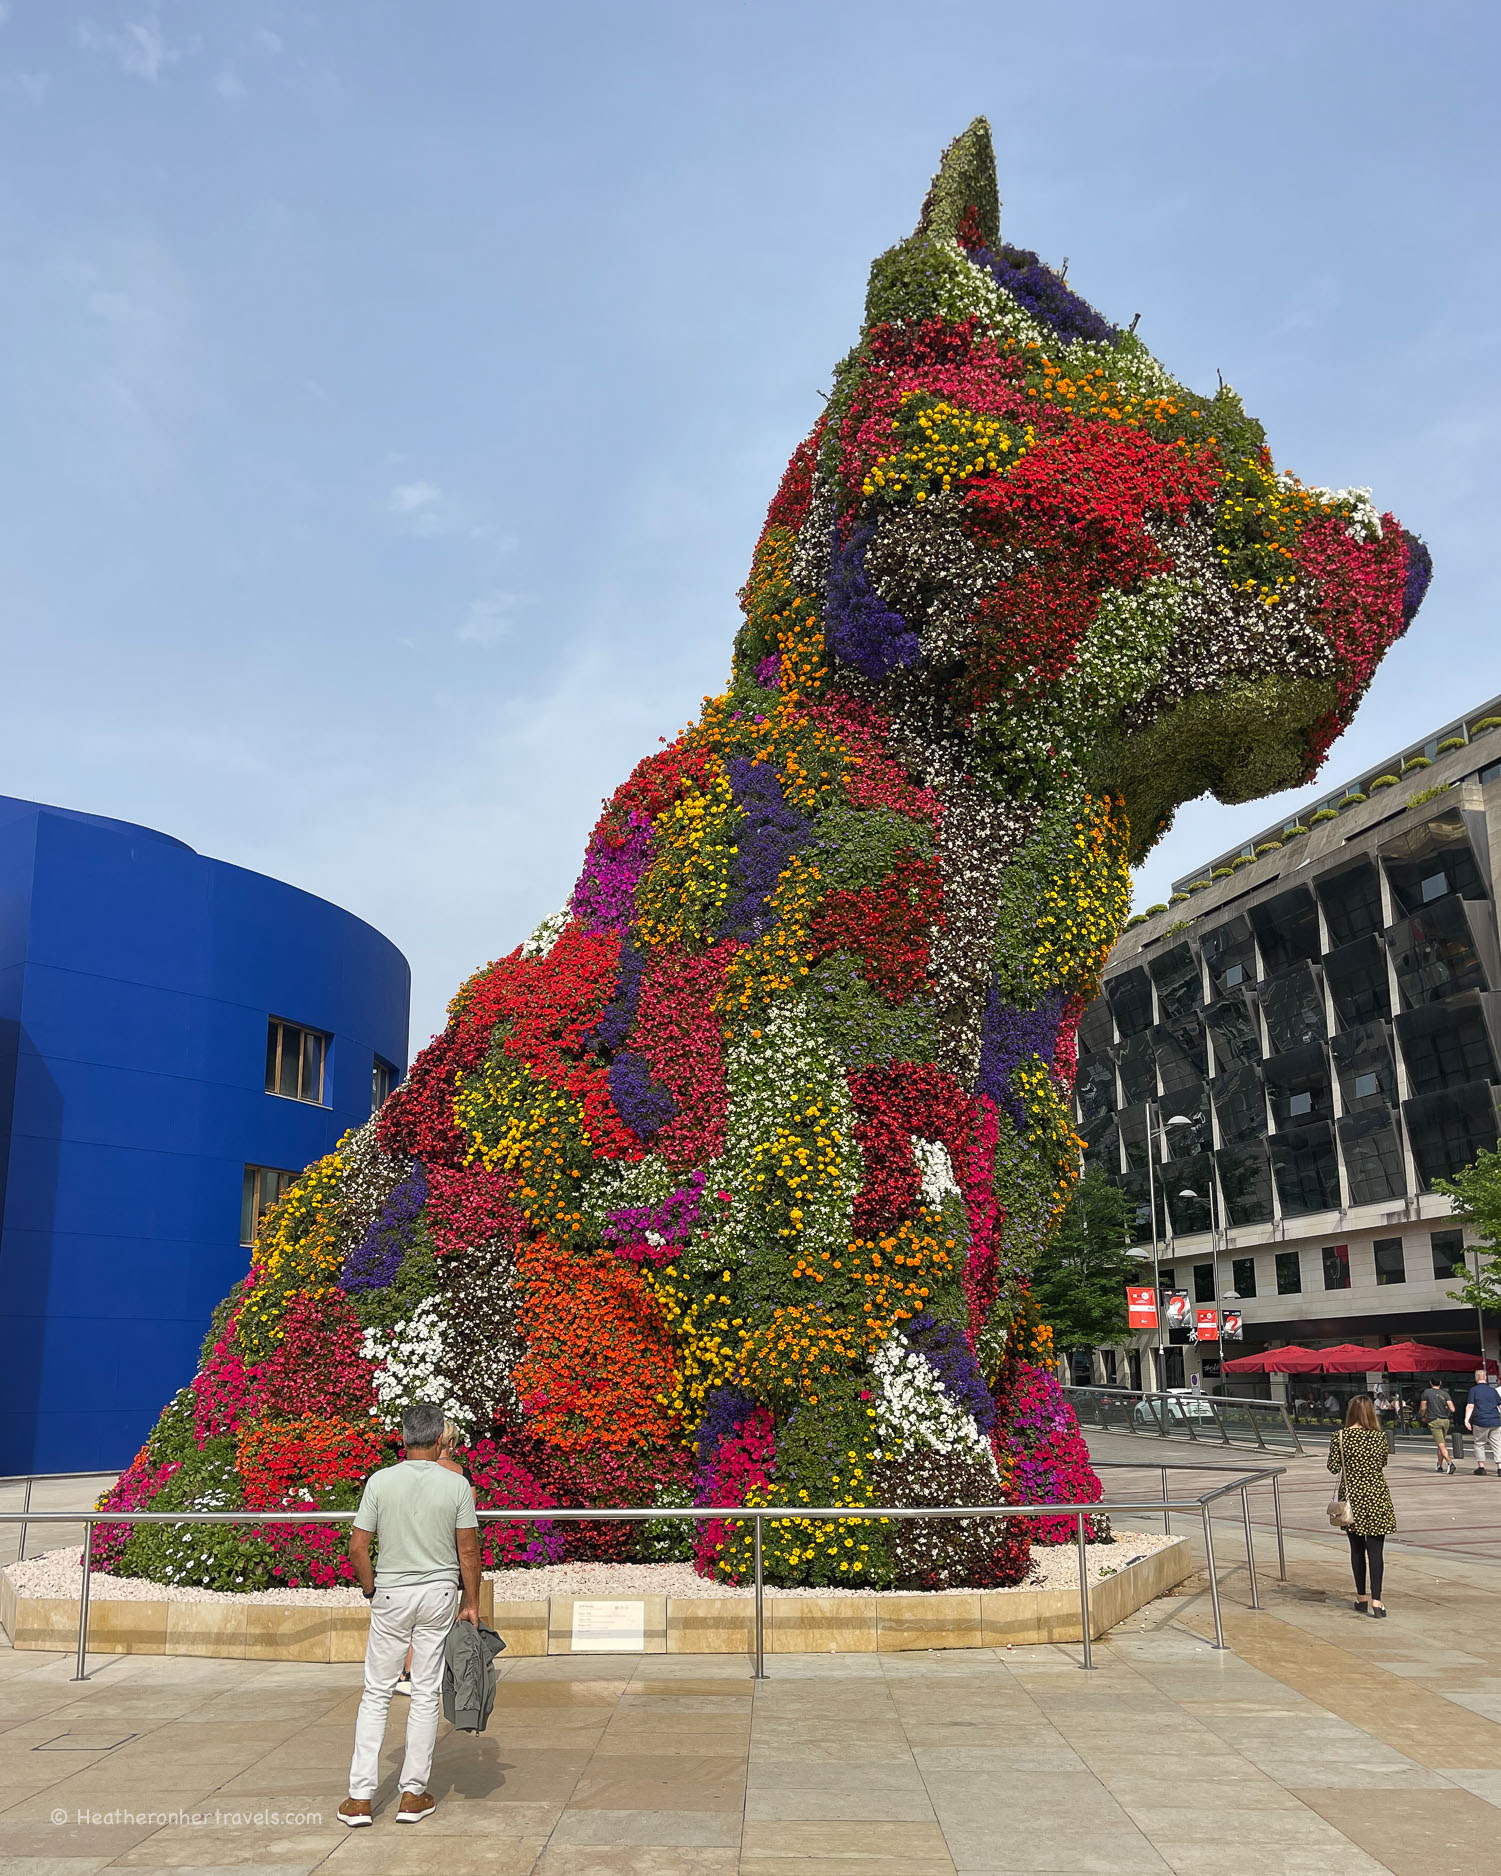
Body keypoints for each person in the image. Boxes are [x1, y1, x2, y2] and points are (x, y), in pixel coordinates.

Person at [339, 1402, 481, 1828]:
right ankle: (413, 1794)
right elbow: (468, 1551)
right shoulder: (456, 1484)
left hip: (391, 1592)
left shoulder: (380, 1481)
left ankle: (360, 1798)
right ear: (439, 1439)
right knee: (424, 1692)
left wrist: (370, 1588)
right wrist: (471, 1602)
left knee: (375, 1693)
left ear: (403, 1439)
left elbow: (357, 1547)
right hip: (439, 1592)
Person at [395, 1419, 472, 1697]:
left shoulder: (407, 1473)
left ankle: (408, 1671)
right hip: (447, 1554)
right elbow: (467, 1518)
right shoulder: (460, 1475)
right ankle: (433, 1673)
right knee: (437, 1621)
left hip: (410, 1554)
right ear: (448, 1442)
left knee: (411, 1622)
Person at [1327, 1394, 1396, 1618]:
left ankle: (1361, 1597)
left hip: (1352, 1498)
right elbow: (1382, 1462)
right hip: (1377, 1496)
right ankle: (1377, 1601)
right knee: (1376, 1551)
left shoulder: (1340, 1436)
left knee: (1357, 1549)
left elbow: (1333, 1467)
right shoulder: (1379, 1437)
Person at [1464, 1368, 1501, 1477]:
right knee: (1497, 1444)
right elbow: (1500, 1405)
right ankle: (1499, 1467)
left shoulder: (1473, 1390)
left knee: (1479, 1443)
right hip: (1495, 1420)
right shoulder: (1493, 1391)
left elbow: (1470, 1406)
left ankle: (1481, 1468)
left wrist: (1466, 1420)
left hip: (1480, 1420)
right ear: (1485, 1378)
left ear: (1476, 1378)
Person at [1418, 1379, 1457, 1474]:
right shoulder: (1445, 1394)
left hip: (1434, 1420)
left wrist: (1423, 1416)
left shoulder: (1426, 1392)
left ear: (1430, 1383)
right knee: (1441, 1443)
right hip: (1445, 1421)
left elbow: (1423, 1407)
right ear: (1440, 1383)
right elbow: (1452, 1409)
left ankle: (1450, 1463)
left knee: (1441, 1445)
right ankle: (1439, 1465)